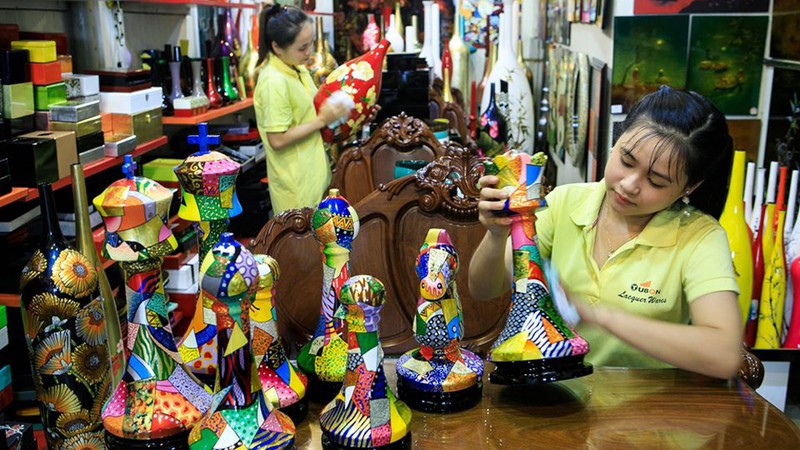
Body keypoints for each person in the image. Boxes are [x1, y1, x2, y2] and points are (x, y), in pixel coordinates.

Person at [469, 86, 742, 380]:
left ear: (690, 187)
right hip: (559, 393)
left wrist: (601, 315)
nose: (629, 185)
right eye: (626, 161)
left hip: (650, 404)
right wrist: (496, 235)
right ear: (616, 139)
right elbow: (484, 289)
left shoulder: (699, 236)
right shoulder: (565, 203)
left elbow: (724, 356)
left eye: (656, 181)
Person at [254, 5, 350, 214]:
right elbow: (277, 139)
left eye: (311, 43)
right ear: (277, 47)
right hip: (296, 189)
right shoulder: (273, 81)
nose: (309, 52)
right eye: (302, 48)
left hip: (314, 176)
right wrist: (322, 120)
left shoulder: (296, 68)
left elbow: (309, 115)